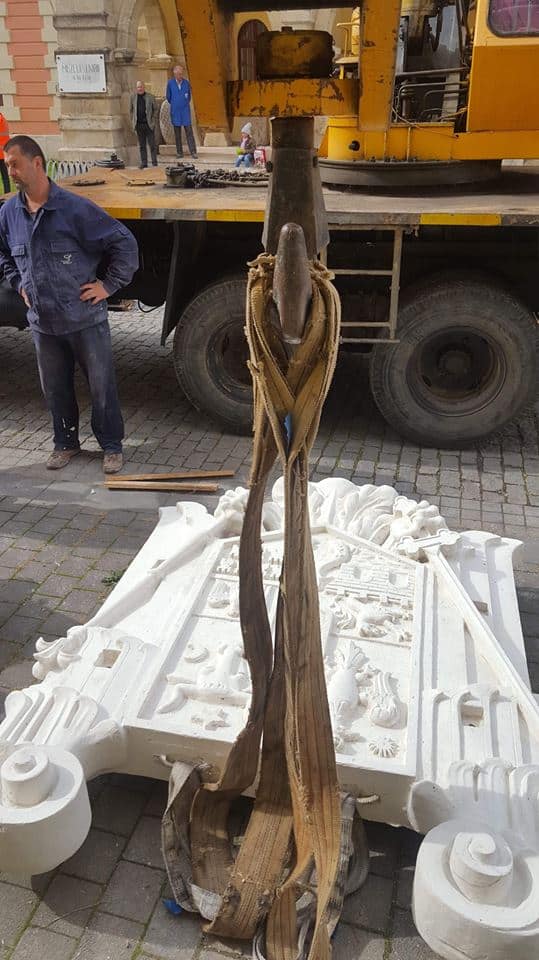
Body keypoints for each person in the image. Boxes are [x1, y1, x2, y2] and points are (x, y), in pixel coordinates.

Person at [0, 136, 139, 474]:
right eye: (7, 166)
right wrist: (18, 283)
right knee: (55, 388)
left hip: (84, 319)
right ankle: (65, 443)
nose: (10, 172)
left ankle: (111, 446)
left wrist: (107, 286)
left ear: (37, 163)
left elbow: (124, 243)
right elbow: (3, 254)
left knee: (101, 387)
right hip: (42, 322)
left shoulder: (75, 209)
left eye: (15, 164)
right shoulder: (8, 214)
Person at [166, 64, 198, 160]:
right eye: (179, 74)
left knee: (189, 131)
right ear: (175, 74)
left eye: (181, 74)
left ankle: (193, 152)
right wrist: (175, 103)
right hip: (175, 111)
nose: (180, 76)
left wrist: (183, 103)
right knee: (177, 133)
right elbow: (168, 97)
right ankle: (179, 152)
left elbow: (189, 97)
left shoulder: (186, 83)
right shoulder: (170, 83)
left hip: (185, 111)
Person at [130, 80, 158, 169]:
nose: (140, 89)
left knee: (152, 144)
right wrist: (133, 121)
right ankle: (144, 162)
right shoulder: (133, 97)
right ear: (136, 88)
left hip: (149, 124)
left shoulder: (150, 97)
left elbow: (155, 109)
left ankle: (154, 162)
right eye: (138, 87)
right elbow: (131, 110)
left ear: (144, 87)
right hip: (139, 125)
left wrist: (153, 120)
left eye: (141, 87)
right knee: (142, 146)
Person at [0, 102, 9, 194]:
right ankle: (8, 195)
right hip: (4, 153)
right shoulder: (3, 119)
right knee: (5, 177)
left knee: (5, 177)